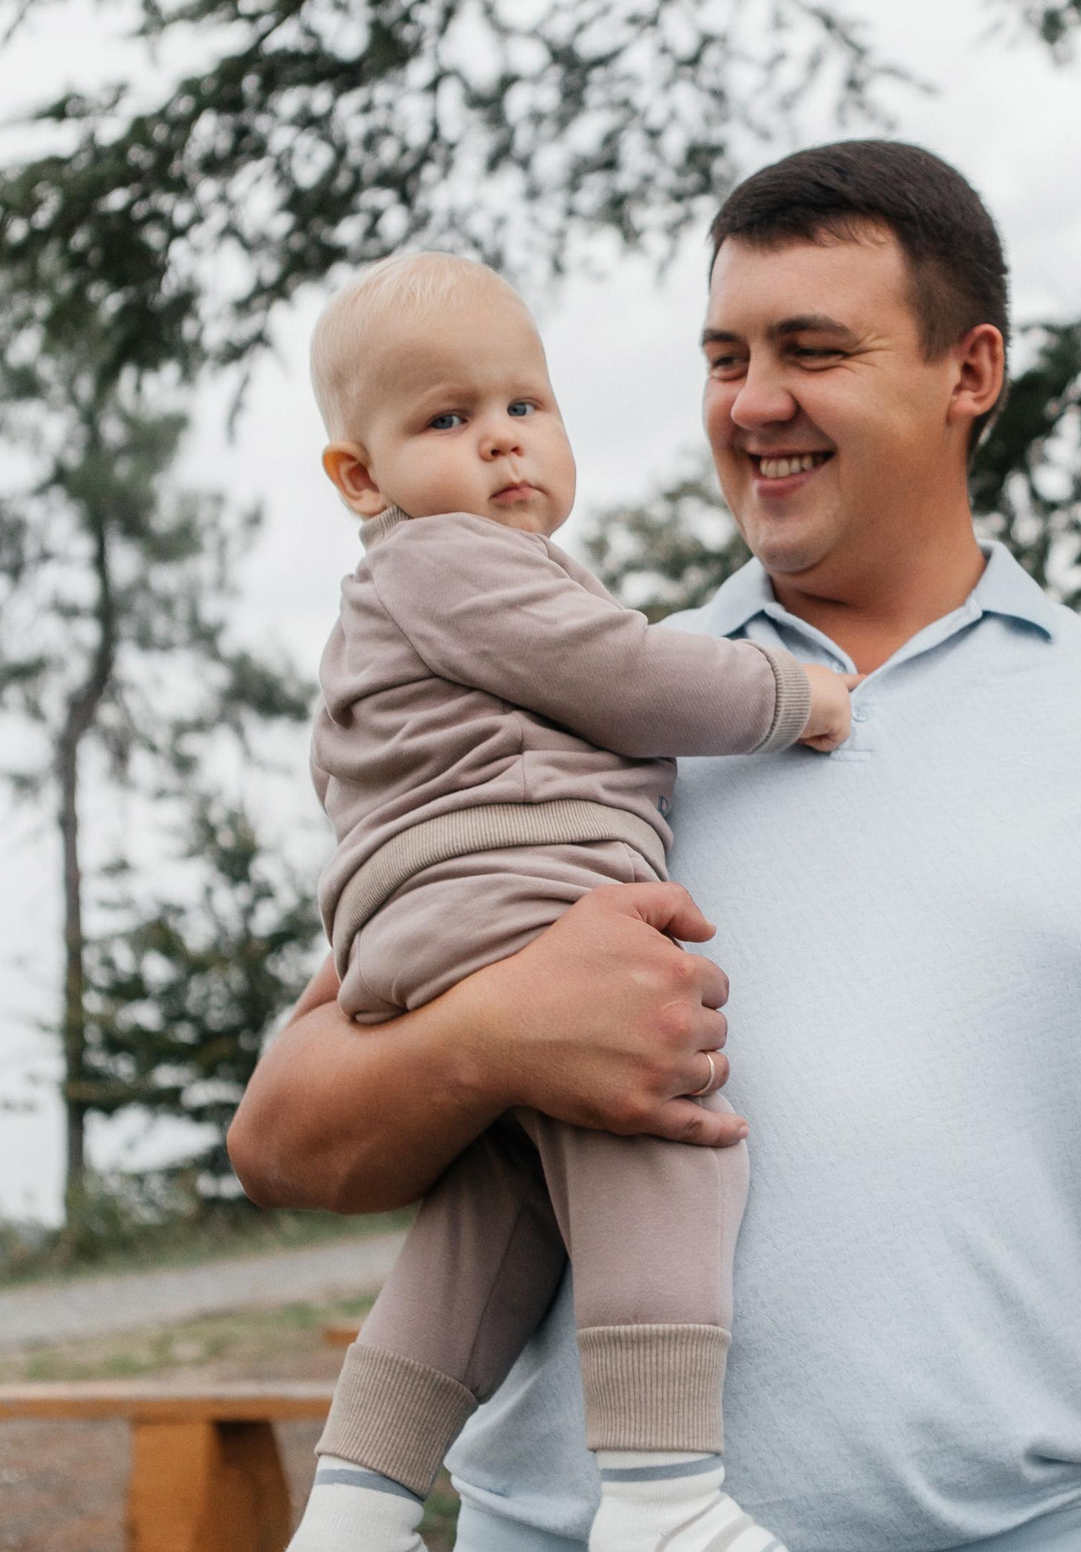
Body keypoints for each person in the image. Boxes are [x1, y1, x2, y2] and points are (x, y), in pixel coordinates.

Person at [230, 140, 1081, 1551]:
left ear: (970, 370)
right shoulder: (586, 698)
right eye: (724, 357)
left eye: (812, 349)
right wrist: (493, 1036)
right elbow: (283, 1135)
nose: (753, 401)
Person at [287, 250, 857, 1552]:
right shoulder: (447, 559)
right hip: (517, 898)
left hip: (442, 925)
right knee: (663, 1126)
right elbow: (624, 674)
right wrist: (793, 693)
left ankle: (357, 1506)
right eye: (446, 417)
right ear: (361, 477)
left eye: (523, 405)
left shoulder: (421, 588)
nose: (500, 439)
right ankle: (662, 1496)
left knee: (498, 1217)